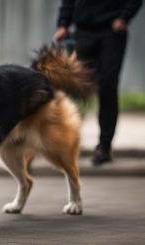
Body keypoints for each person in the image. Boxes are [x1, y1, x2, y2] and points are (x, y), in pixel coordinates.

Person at [54, 0, 143, 166]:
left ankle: (104, 146)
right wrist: (62, 24)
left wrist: (124, 18)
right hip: (82, 32)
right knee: (74, 88)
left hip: (111, 32)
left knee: (107, 87)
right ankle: (67, 142)